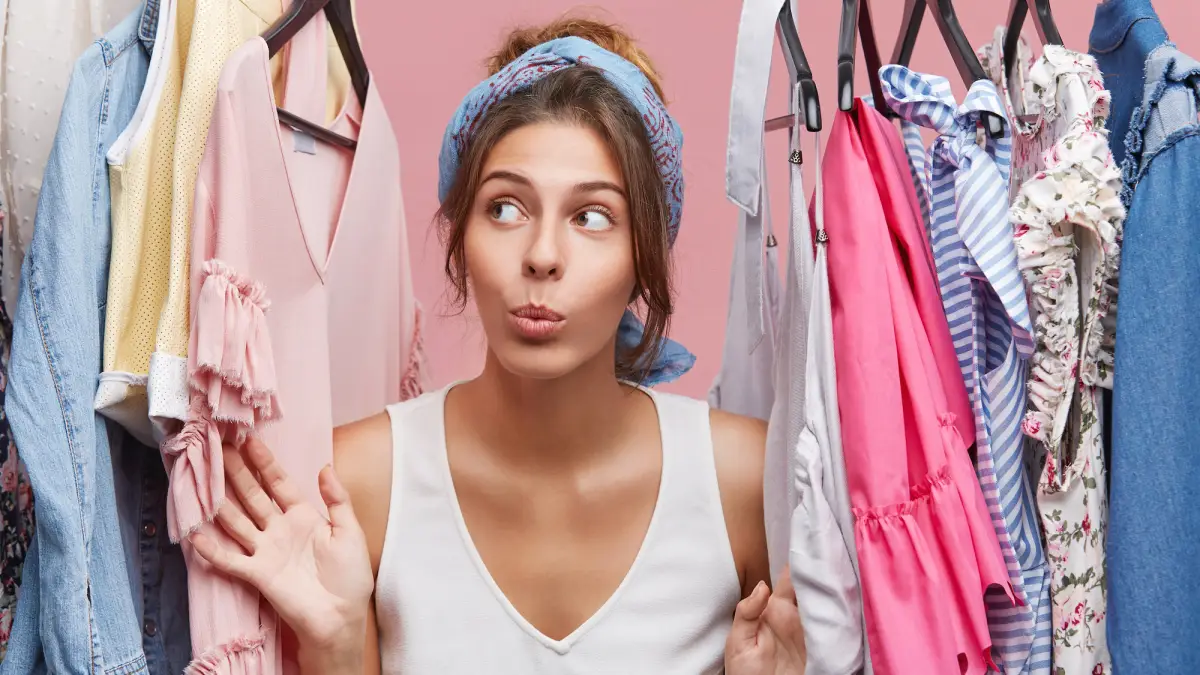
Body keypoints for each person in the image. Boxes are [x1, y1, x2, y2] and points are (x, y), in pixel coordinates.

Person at [189, 17, 806, 674]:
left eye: (591, 216)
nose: (541, 256)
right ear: (461, 236)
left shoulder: (743, 480)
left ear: (643, 256)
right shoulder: (360, 482)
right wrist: (338, 645)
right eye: (506, 208)